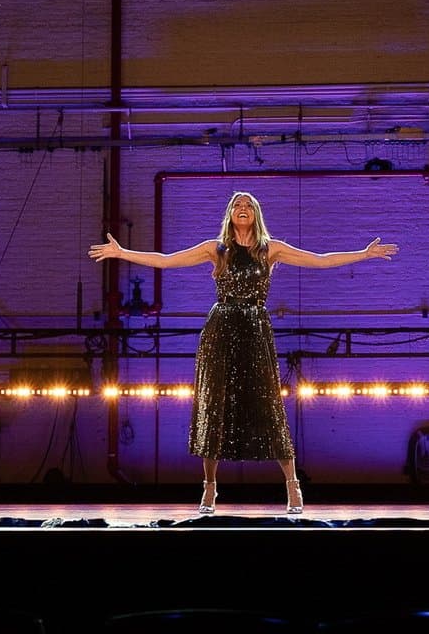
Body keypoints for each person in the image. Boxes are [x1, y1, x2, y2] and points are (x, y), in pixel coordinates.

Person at [89, 191, 398, 515]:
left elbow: (319, 260)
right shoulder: (216, 249)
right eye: (237, 204)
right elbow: (167, 260)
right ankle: (210, 486)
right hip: (221, 328)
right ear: (229, 214)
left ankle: (292, 485)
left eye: (248, 205)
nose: (243, 208)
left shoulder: (270, 249)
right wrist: (122, 253)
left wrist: (364, 254)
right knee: (214, 405)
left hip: (255, 328)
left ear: (256, 214)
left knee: (269, 403)